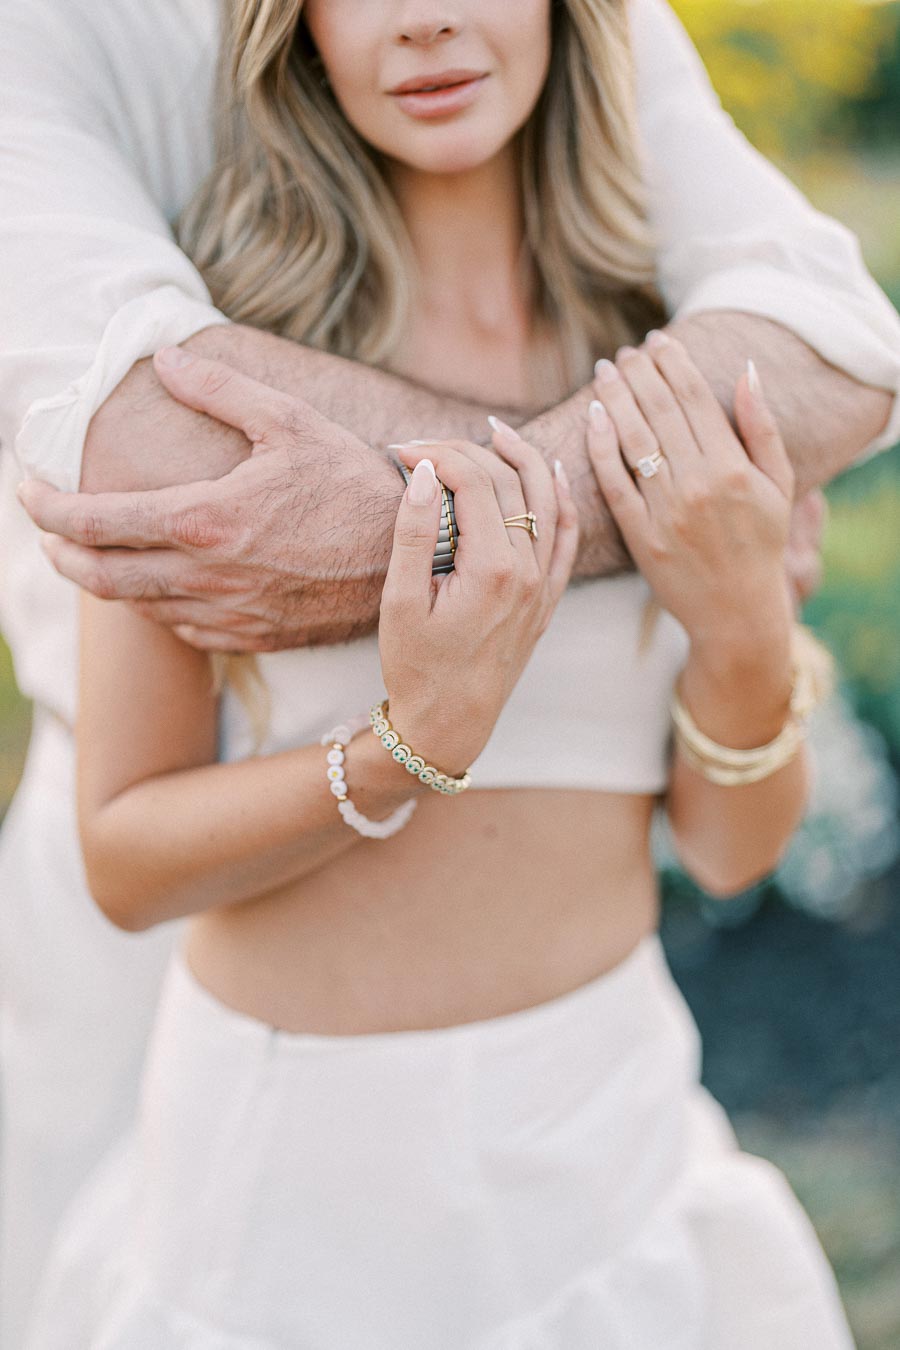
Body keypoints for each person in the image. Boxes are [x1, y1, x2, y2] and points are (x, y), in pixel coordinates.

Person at [1, 0, 899, 1343]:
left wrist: (742, 628)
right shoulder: (221, 388)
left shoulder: (672, 363)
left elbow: (728, 851)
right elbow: (126, 859)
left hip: (609, 1146)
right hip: (290, 1192)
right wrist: (404, 745)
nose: (425, 20)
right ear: (297, 23)